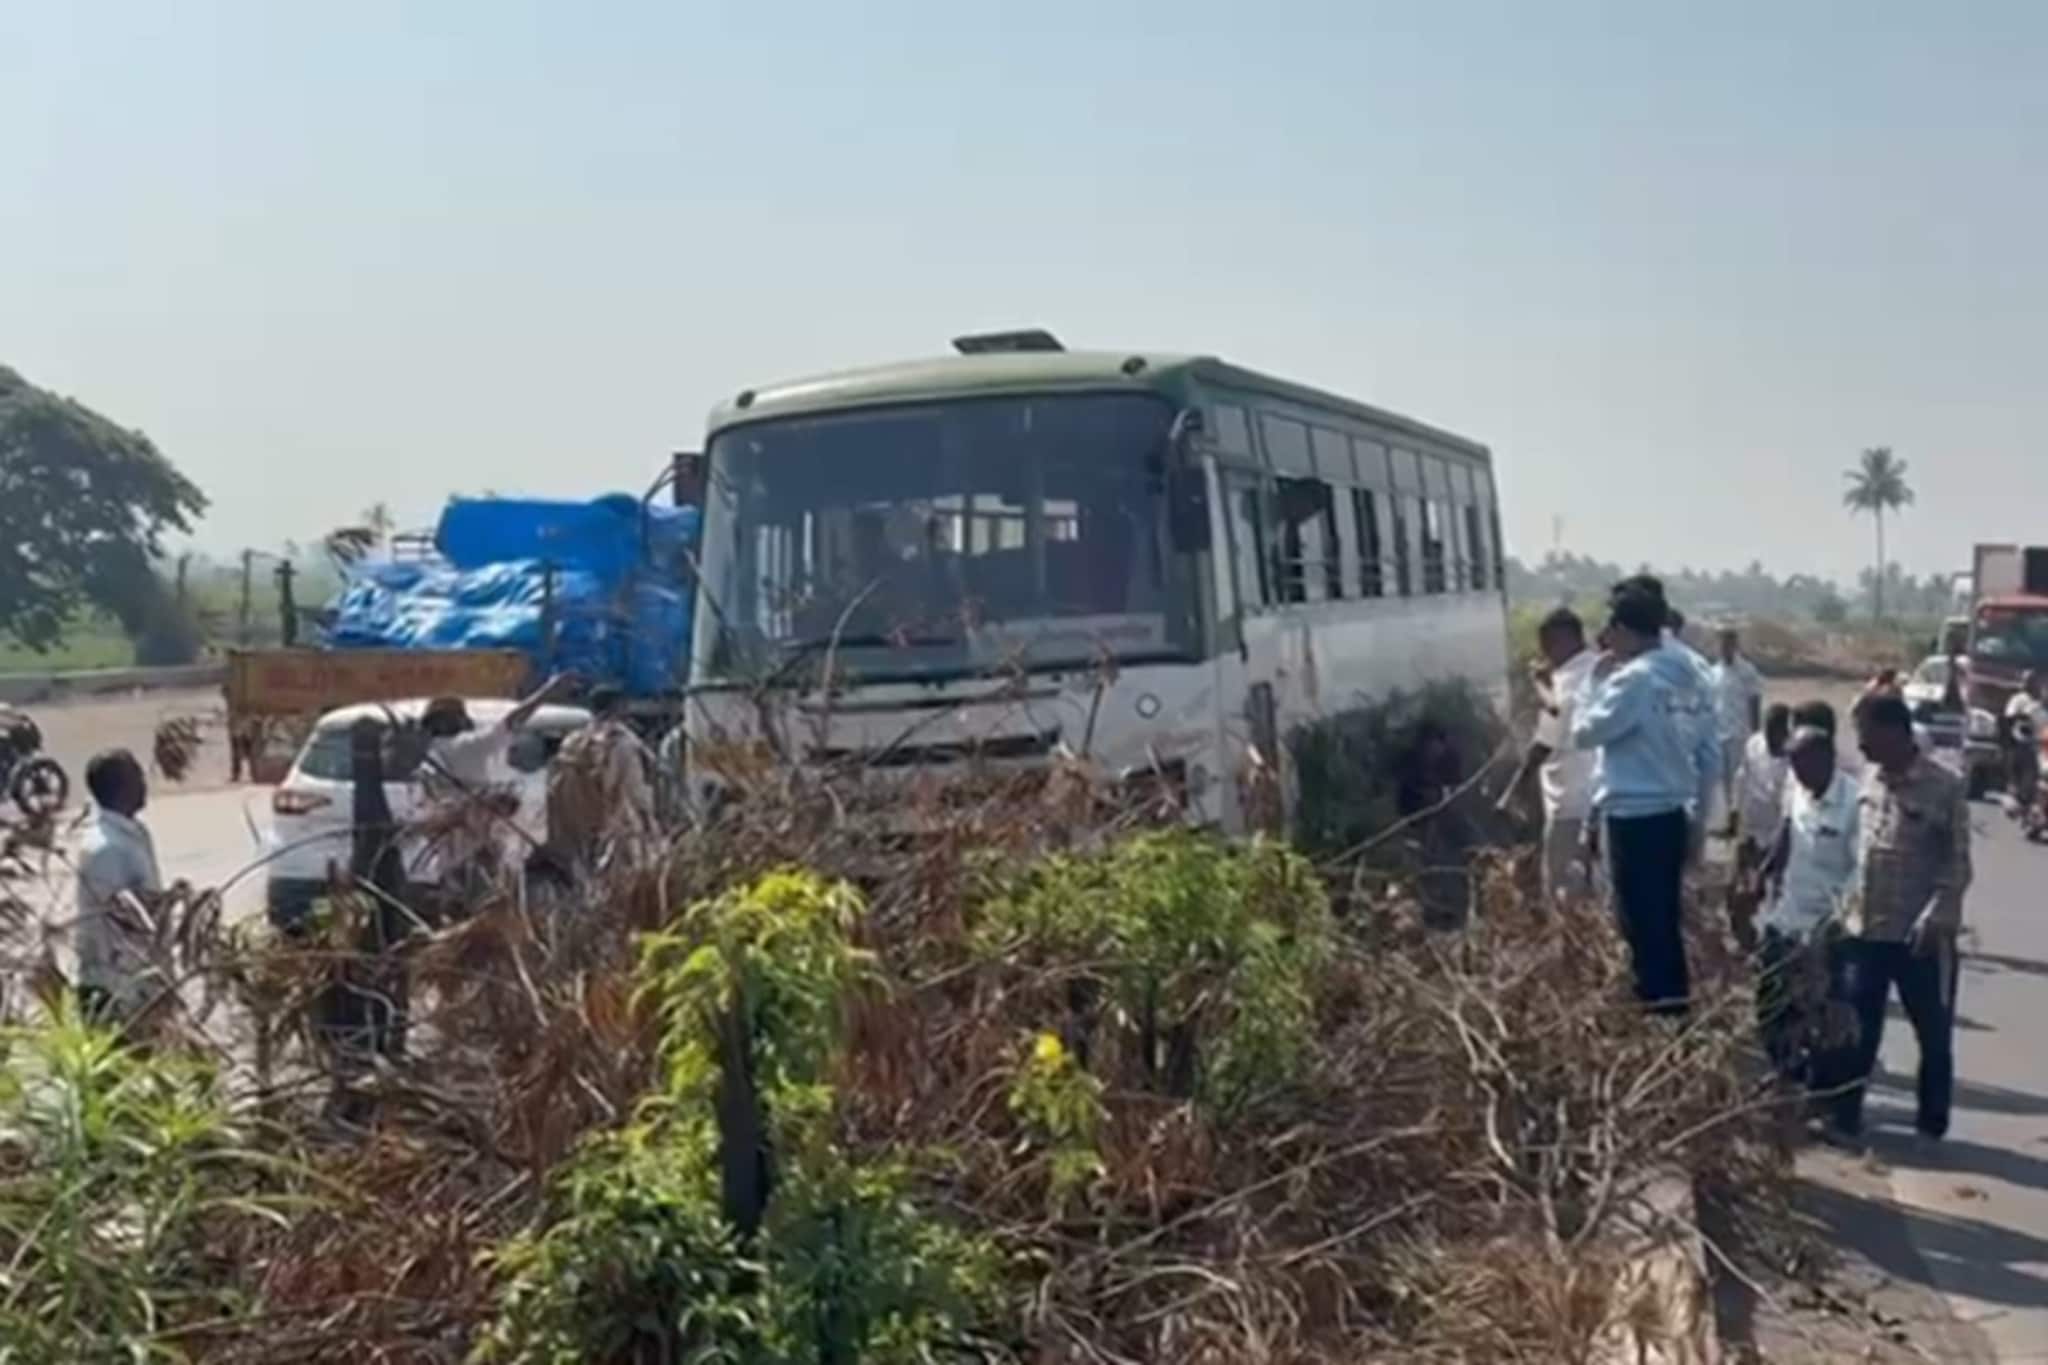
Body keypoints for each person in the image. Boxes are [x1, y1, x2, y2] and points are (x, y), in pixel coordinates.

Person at [1817, 694, 1971, 1144]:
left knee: (1933, 1031)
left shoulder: (1945, 786)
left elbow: (1957, 863)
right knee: (1856, 1028)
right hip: (1866, 928)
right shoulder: (1867, 780)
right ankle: (1844, 1118)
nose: (1861, 748)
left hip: (1920, 934)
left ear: (1895, 732)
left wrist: (1938, 913)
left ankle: (1931, 1122)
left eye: (1867, 738)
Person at [1571, 585, 1721, 1014]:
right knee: (1663, 926)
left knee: (1639, 927)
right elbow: (1708, 753)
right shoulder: (1689, 672)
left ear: (1622, 628)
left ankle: (1659, 1015)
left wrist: (1593, 682)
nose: (1605, 638)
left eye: (1609, 628)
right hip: (1673, 812)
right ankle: (1672, 1012)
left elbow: (1585, 733)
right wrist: (1701, 820)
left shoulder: (1634, 679)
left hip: (1635, 817)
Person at [1757, 726, 1859, 1083]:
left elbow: (1859, 872)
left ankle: (1817, 1084)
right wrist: (1765, 867)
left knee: (1819, 1009)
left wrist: (1834, 922)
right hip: (1787, 915)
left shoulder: (1854, 803)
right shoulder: (1796, 786)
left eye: (1802, 764)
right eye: (1793, 765)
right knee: (1769, 1001)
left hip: (1826, 925)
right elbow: (1788, 829)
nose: (1796, 773)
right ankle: (1784, 1070)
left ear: (1826, 759)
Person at [419, 673, 573, 901]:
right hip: (475, 857)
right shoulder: (464, 747)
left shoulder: (429, 757)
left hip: (448, 861)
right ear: (449, 722)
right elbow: (510, 723)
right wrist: (546, 693)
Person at [1499, 607, 1599, 907]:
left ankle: (1573, 949)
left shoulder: (1566, 681)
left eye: (1546, 645)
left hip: (1569, 802)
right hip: (1596, 798)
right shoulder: (1598, 669)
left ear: (1562, 640)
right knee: (1591, 884)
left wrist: (1514, 789)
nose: (1544, 653)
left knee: (1562, 890)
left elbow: (1548, 735)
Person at [73, 749, 170, 1025]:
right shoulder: (105, 850)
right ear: (120, 787)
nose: (143, 784)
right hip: (116, 990)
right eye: (137, 777)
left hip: (141, 984)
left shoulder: (133, 833)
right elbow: (122, 927)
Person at [547, 685, 656, 875]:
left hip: (577, 824)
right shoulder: (622, 743)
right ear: (619, 708)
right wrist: (647, 818)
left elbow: (556, 785)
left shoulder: (572, 741)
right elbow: (635, 790)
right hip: (614, 824)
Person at [1727, 703, 1794, 948]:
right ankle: (1745, 943)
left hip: (1778, 834)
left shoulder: (1794, 757)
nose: (1770, 738)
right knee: (1737, 891)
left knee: (1773, 892)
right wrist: (1734, 812)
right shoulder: (1754, 745)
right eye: (1767, 732)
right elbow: (1741, 778)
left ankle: (1770, 946)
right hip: (1751, 828)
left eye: (1776, 733)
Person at [1711, 627, 1766, 824]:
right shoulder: (1714, 672)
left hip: (1739, 733)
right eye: (1721, 644)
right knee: (1724, 780)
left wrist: (1756, 733)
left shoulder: (1747, 671)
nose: (1724, 648)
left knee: (1740, 780)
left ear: (1735, 645)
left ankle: (1741, 819)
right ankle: (1729, 817)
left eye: (1728, 644)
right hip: (1719, 733)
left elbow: (1754, 701)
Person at [2002, 670, 2042, 806]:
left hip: (2039, 742)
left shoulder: (2039, 702)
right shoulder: (2019, 699)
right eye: (2029, 682)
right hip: (2021, 742)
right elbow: (2010, 717)